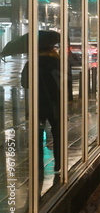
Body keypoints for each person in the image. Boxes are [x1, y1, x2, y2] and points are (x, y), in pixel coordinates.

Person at [21, 46, 63, 177]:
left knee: (37, 135)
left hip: (37, 103)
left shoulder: (31, 63)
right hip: (55, 103)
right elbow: (64, 81)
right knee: (57, 133)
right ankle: (58, 163)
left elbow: (24, 83)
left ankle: (39, 165)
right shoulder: (57, 62)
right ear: (50, 49)